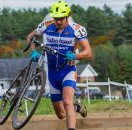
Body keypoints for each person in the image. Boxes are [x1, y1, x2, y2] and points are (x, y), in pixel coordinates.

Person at [27, 1, 92, 130]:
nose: (58, 21)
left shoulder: (77, 29)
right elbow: (30, 37)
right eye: (56, 18)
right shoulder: (46, 26)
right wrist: (33, 51)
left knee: (67, 101)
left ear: (67, 16)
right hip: (52, 74)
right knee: (61, 114)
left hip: (68, 71)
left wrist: (75, 56)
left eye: (61, 18)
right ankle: (77, 107)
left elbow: (88, 51)